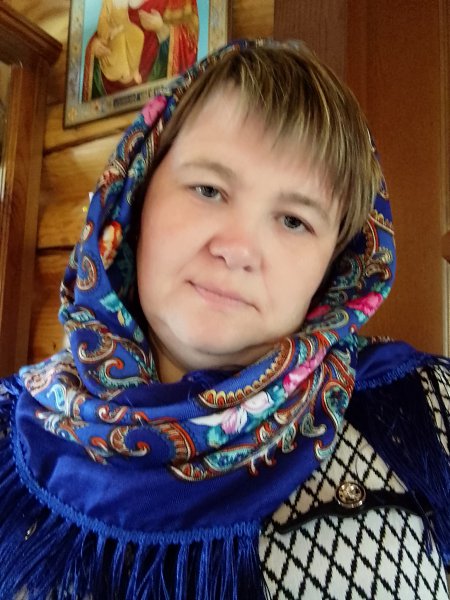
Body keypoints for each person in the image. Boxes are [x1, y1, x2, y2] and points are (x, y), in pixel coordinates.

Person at [0, 39, 449, 599]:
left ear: (334, 268)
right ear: (135, 196)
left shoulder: (426, 409)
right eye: (209, 189)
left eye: (293, 220)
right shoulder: (11, 430)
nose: (238, 249)